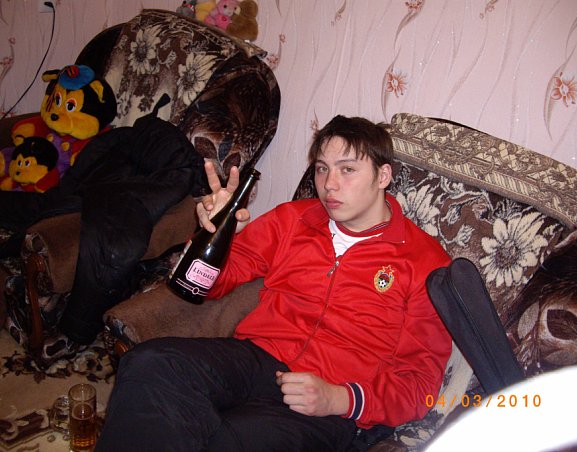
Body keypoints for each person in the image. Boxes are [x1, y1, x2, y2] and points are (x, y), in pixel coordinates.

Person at [96, 115, 452, 451]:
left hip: (328, 401)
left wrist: (339, 398)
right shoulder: (292, 220)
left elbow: (420, 385)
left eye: (347, 169)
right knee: (148, 364)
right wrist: (215, 233)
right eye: (322, 168)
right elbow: (210, 283)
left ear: (383, 175)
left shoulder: (426, 262)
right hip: (257, 358)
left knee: (227, 441)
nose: (329, 184)